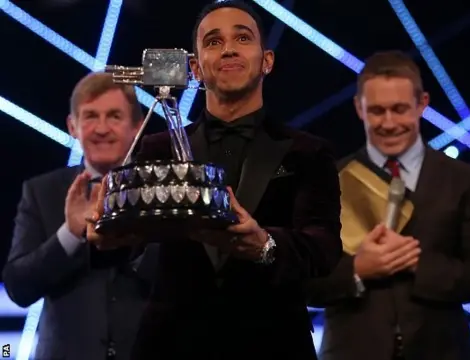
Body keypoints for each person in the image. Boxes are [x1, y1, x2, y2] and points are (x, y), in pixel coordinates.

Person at [86, 1, 342, 359]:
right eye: (213, 41)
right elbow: (130, 244)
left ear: (267, 60)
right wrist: (105, 238)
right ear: (195, 68)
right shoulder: (158, 147)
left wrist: (264, 244)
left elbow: (325, 248)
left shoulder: (308, 153)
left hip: (274, 344)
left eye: (242, 37)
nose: (229, 49)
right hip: (171, 346)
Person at [305, 51, 470, 360]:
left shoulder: (466, 181)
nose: (388, 123)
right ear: (359, 108)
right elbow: (306, 281)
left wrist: (416, 263)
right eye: (377, 111)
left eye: (399, 109)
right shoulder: (329, 181)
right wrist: (358, 269)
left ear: (422, 104)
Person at [2, 72, 157, 360]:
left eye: (114, 116)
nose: (101, 128)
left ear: (137, 127)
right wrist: (69, 234)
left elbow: (182, 281)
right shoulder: (41, 191)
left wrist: (137, 232)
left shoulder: (161, 190)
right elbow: (18, 287)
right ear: (72, 126)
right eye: (90, 116)